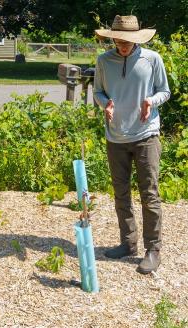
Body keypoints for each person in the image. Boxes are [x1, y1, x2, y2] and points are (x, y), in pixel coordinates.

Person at [93, 15, 170, 274]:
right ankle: (128, 243)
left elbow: (165, 91)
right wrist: (106, 104)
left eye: (128, 40)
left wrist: (151, 101)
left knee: (149, 193)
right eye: (118, 39)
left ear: (136, 39)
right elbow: (98, 92)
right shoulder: (104, 61)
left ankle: (153, 249)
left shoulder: (152, 59)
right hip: (115, 137)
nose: (123, 44)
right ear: (112, 38)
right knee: (121, 193)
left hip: (146, 135)